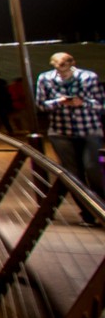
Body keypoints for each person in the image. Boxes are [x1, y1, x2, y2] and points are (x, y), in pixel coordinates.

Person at [34, 52, 104, 206]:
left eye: (65, 63)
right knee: (73, 174)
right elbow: (40, 105)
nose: (62, 67)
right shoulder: (45, 78)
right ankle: (86, 210)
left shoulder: (88, 77)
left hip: (89, 129)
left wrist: (83, 102)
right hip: (61, 132)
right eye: (58, 64)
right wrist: (59, 102)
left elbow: (101, 104)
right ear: (52, 64)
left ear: (73, 62)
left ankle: (101, 205)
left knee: (92, 169)